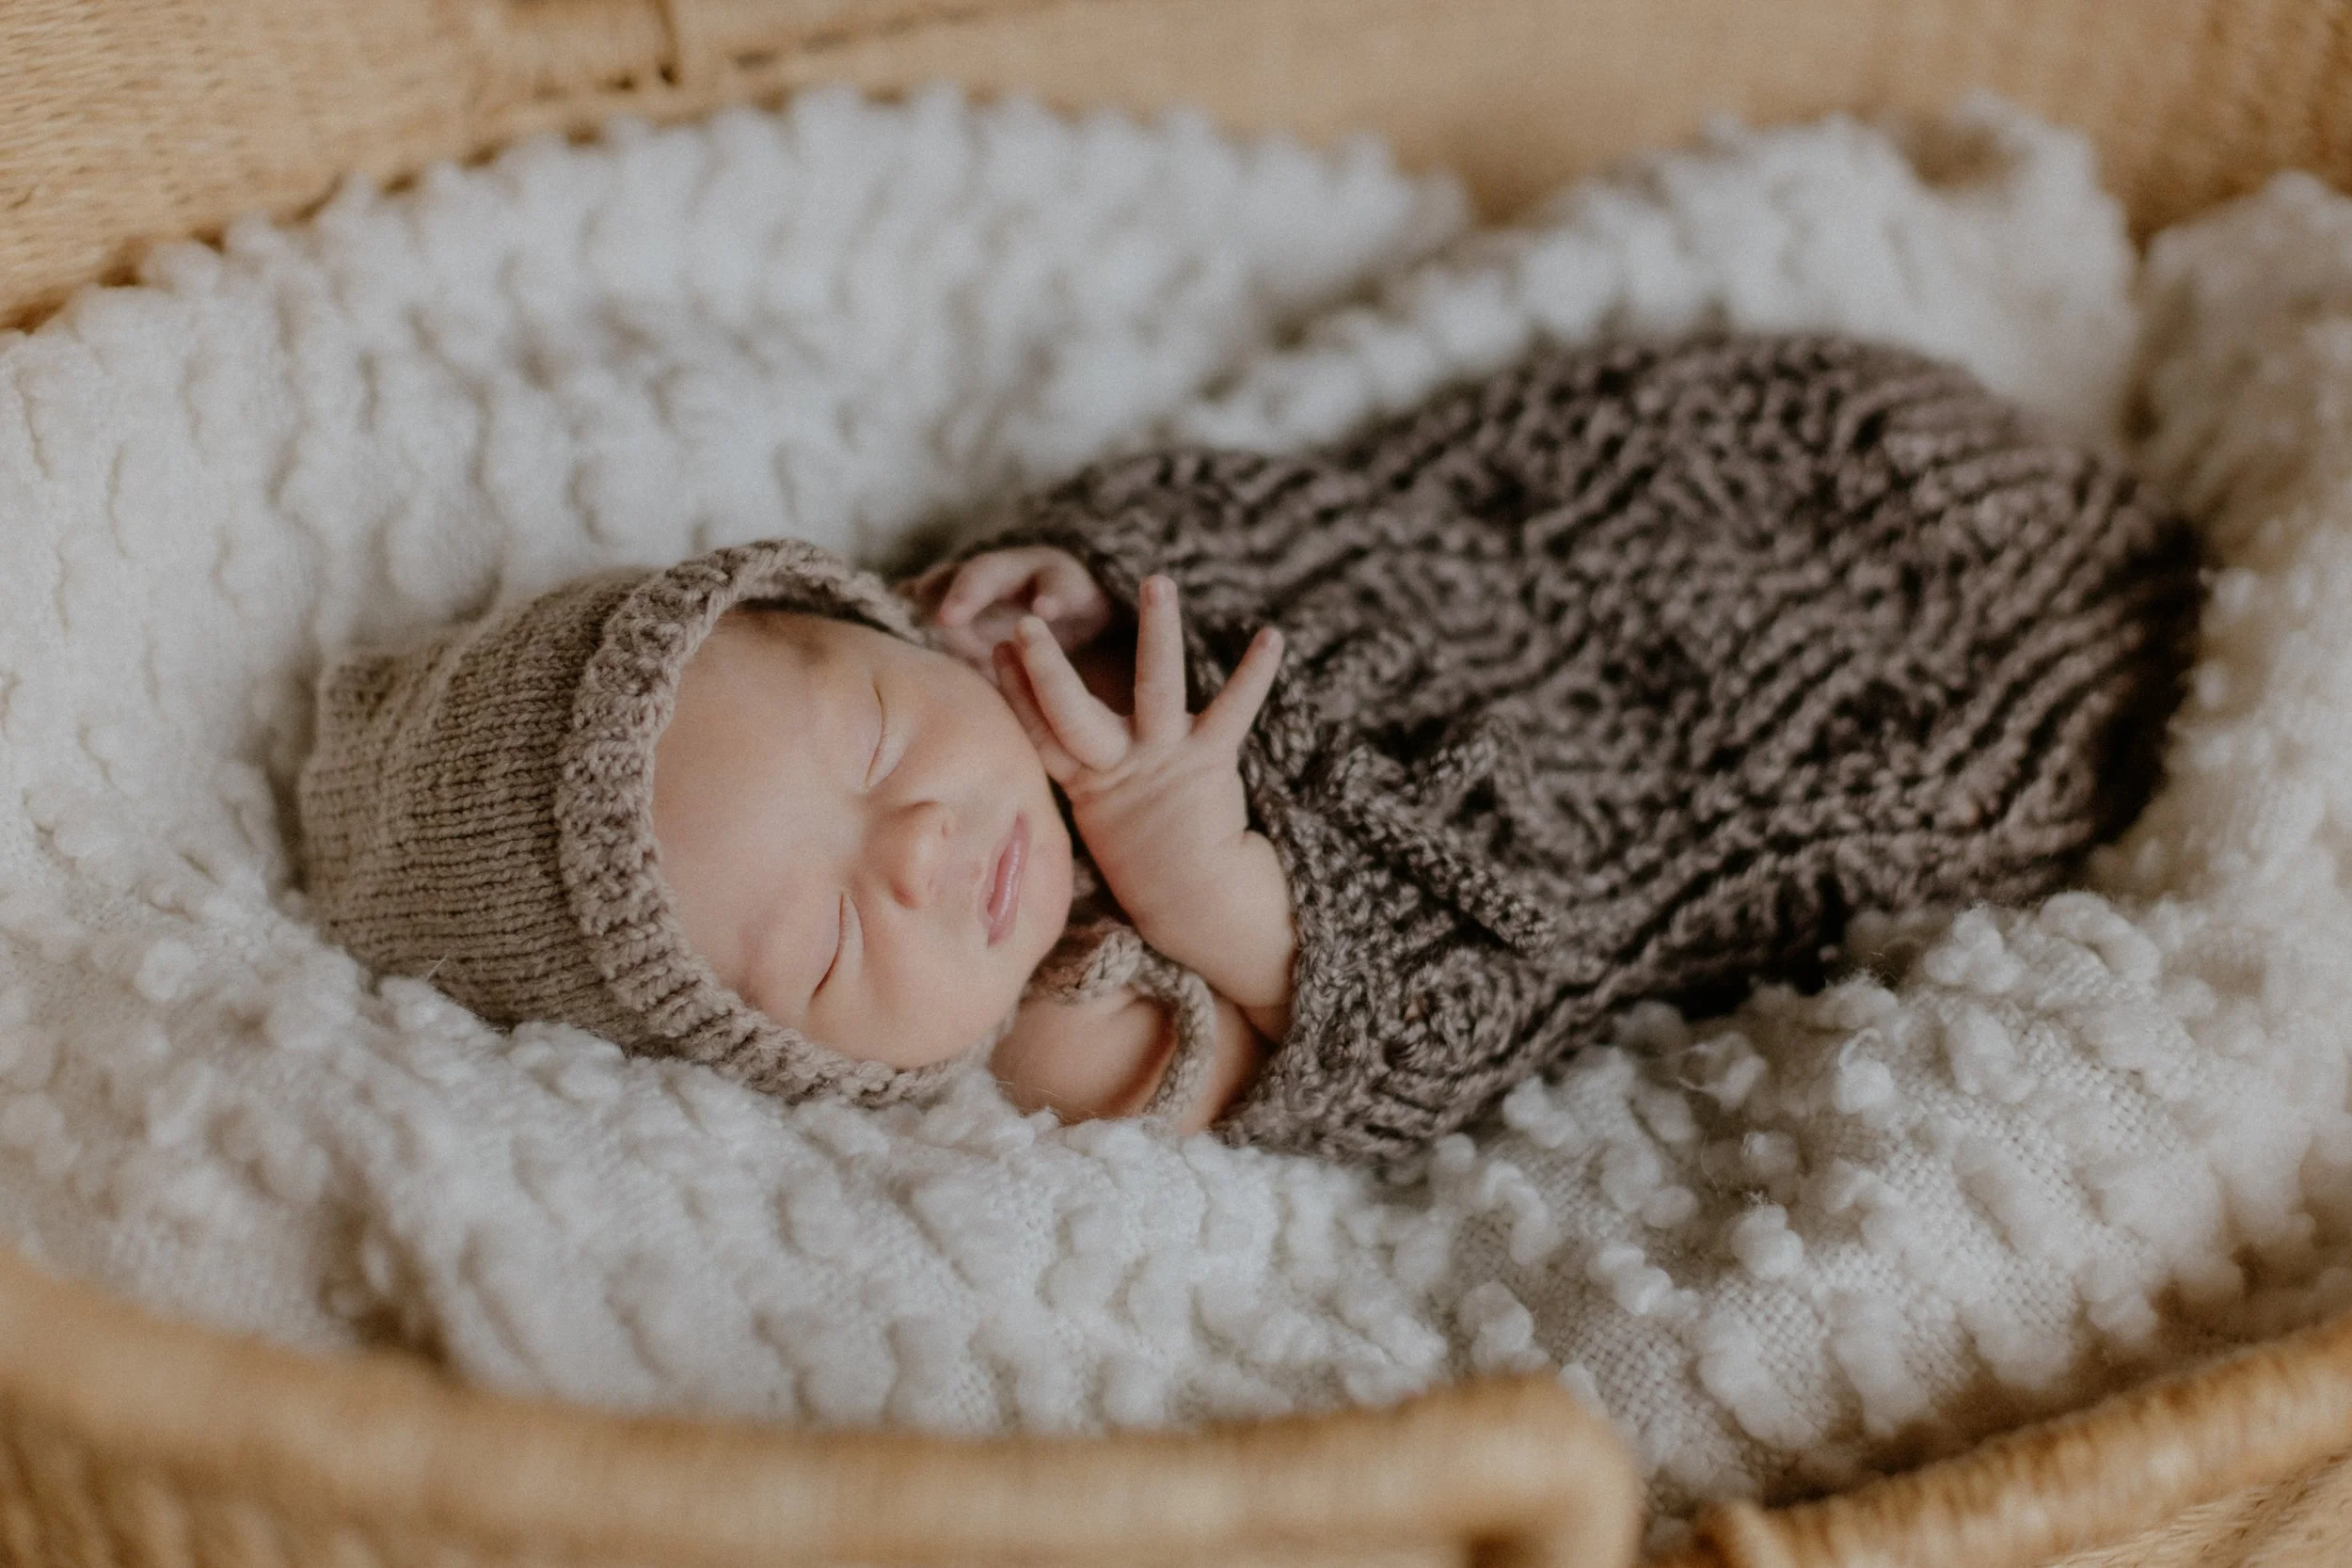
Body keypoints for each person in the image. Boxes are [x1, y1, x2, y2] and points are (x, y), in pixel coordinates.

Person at [296, 334, 2200, 1164]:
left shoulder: (1010, 639)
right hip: (1590, 815)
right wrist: (1178, 845)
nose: (912, 846)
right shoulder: (1048, 1020)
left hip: (1553, 565)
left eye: (875, 728)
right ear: (779, 1057)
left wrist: (1081, 572)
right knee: (1918, 763)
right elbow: (1345, 1038)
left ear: (882, 613)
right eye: (818, 952)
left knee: (1683, 492)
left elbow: (1282, 511)